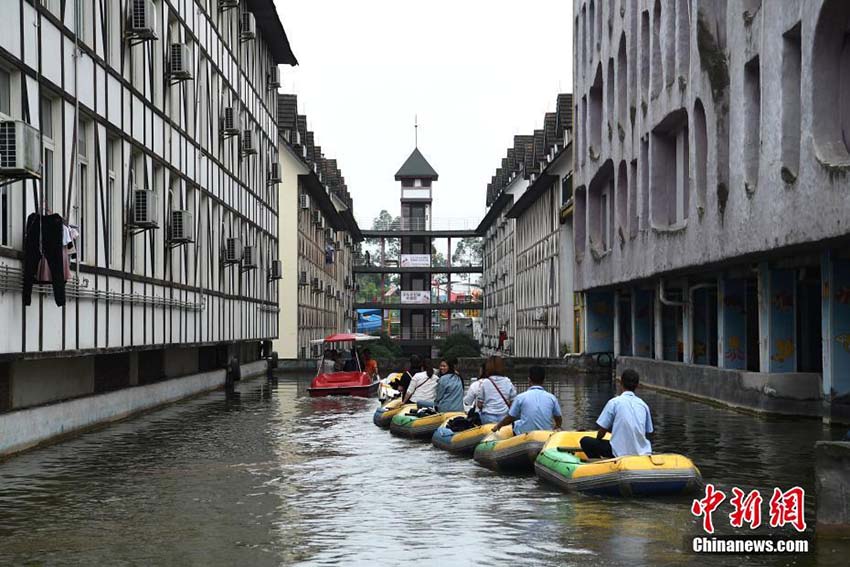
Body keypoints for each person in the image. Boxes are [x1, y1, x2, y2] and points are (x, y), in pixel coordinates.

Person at [580, 369, 653, 459]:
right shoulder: (643, 405)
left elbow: (602, 431)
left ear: (620, 383)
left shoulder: (614, 402)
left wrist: (598, 440)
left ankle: (599, 462)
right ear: (637, 385)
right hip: (642, 452)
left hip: (619, 451)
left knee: (585, 441)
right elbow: (648, 432)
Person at [492, 366, 562, 434]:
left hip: (525, 435)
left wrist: (498, 426)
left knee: (516, 422)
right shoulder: (552, 398)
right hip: (545, 433)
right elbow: (558, 418)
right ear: (544, 380)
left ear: (529, 380)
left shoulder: (520, 397)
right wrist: (557, 427)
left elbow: (510, 417)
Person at [476, 356, 517, 424]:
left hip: (488, 417)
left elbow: (479, 405)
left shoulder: (485, 383)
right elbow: (514, 402)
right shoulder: (508, 381)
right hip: (504, 418)